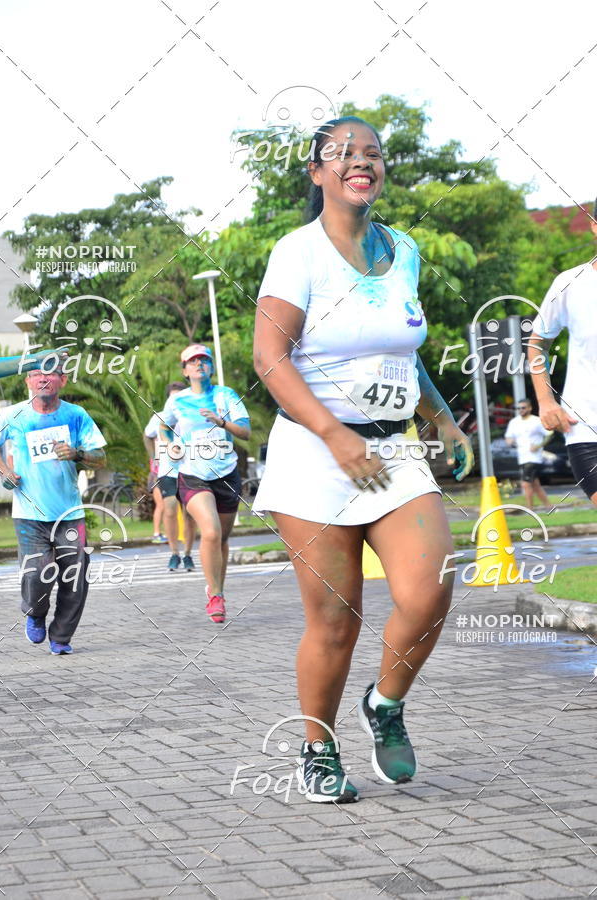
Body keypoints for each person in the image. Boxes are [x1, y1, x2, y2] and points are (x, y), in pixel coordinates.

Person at [252, 115, 474, 804]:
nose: (361, 161)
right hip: (311, 453)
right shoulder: (299, 251)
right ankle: (317, 749)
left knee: (431, 587)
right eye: (343, 153)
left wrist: (441, 418)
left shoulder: (401, 248)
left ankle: (385, 703)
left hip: (393, 448)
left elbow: (403, 352)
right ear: (317, 173)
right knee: (336, 619)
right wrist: (334, 435)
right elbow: (269, 357)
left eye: (372, 153)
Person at [0, 361, 106, 654]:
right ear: (27, 382)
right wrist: (5, 471)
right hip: (29, 513)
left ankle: (61, 636)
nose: (43, 379)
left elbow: (101, 457)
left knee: (75, 576)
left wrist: (78, 453)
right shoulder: (13, 415)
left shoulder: (75, 415)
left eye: (50, 374)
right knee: (37, 573)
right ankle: (34, 612)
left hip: (70, 513)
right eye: (36, 374)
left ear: (63, 380)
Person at [160, 345, 251, 623]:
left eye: (204, 360)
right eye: (193, 361)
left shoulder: (226, 395)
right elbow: (163, 428)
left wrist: (221, 422)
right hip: (193, 474)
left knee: (221, 538)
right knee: (210, 532)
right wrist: (171, 445)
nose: (199, 365)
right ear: (185, 371)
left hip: (227, 474)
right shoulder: (177, 401)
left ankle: (218, 590)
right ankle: (215, 596)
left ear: (210, 367)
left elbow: (246, 432)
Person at [529, 199, 597, 507]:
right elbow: (536, 342)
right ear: (594, 227)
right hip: (585, 429)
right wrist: (545, 401)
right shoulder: (570, 284)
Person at [144, 382, 197, 571]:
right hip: (167, 470)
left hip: (189, 469)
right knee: (170, 509)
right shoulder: (159, 417)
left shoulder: (191, 416)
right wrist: (154, 462)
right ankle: (174, 553)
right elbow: (147, 435)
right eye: (172, 397)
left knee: (189, 514)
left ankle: (188, 554)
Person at [504, 398, 553, 508]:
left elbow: (550, 434)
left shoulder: (536, 420)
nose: (520, 410)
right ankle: (550, 508)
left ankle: (530, 510)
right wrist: (509, 441)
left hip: (534, 458)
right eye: (518, 408)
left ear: (530, 408)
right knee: (535, 485)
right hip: (522, 457)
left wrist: (538, 446)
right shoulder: (514, 422)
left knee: (525, 484)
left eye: (523, 407)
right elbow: (508, 437)